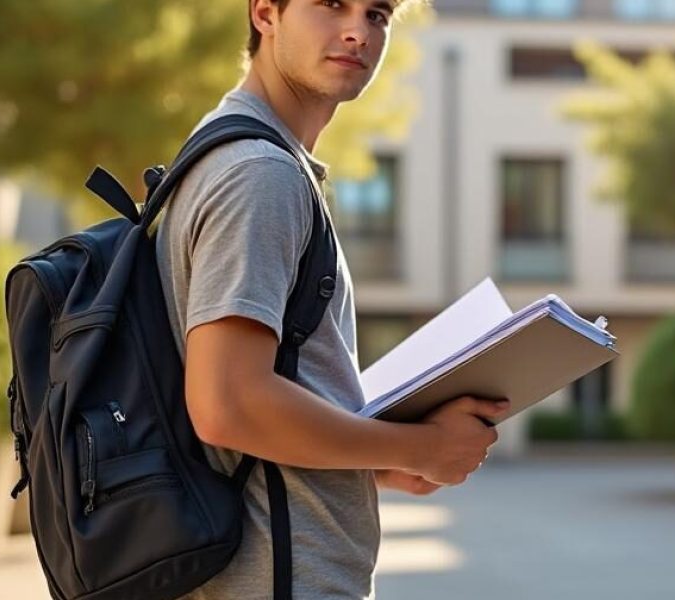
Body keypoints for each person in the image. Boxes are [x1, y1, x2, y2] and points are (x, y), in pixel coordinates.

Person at [155, 0, 505, 598]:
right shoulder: (259, 174)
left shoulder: (235, 151)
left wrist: (381, 462)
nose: (357, 32)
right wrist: (422, 446)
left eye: (377, 14)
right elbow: (226, 403)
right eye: (332, 5)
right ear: (265, 13)